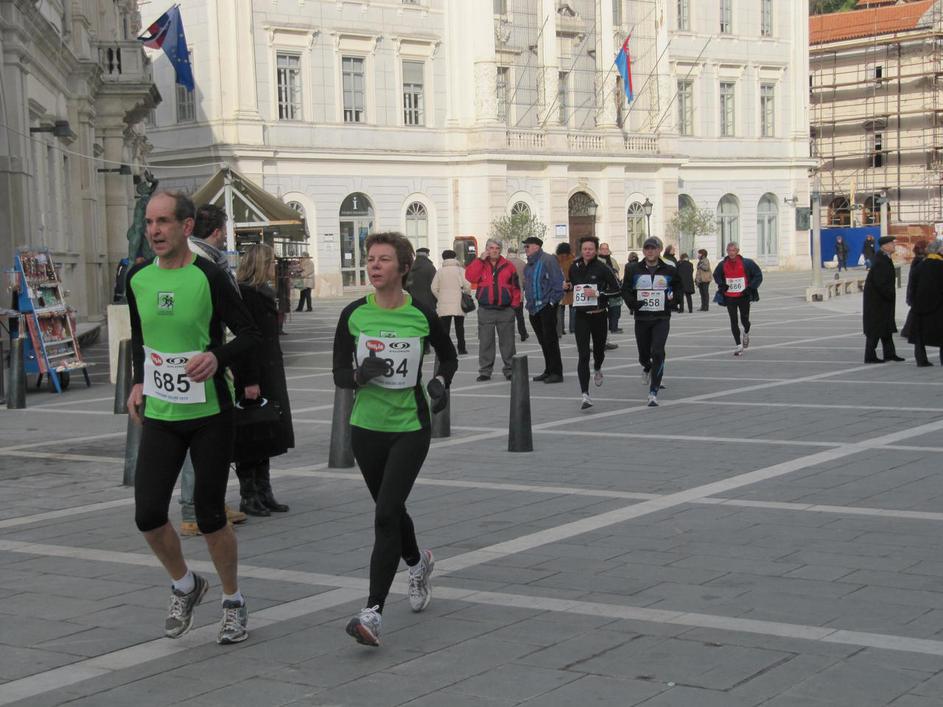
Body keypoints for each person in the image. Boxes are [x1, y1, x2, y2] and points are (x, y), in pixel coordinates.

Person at [125, 190, 260, 644]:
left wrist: (217, 357)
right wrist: (138, 382)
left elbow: (250, 334)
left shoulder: (210, 276)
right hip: (162, 412)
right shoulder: (138, 278)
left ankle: (233, 601)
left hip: (209, 413)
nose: (154, 231)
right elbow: (140, 337)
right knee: (148, 513)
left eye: (163, 222)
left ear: (186, 227)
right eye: (149, 223)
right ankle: (185, 584)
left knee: (208, 513)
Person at [332, 231, 457, 648]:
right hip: (366, 429)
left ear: (403, 268)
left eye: (383, 259)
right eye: (371, 258)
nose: (374, 265)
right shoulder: (353, 314)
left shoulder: (421, 313)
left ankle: (373, 612)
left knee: (385, 514)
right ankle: (417, 563)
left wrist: (440, 382)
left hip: (409, 428)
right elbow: (338, 374)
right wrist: (358, 375)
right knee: (392, 508)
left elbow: (449, 356)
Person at [179, 203, 246, 536]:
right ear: (217, 232)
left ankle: (211, 502)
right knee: (197, 437)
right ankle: (194, 509)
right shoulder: (199, 263)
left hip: (210, 359)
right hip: (197, 362)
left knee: (211, 441)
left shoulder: (207, 259)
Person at [233, 244, 294, 516]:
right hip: (255, 373)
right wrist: (250, 380)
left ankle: (264, 491)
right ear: (260, 265)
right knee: (251, 433)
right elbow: (247, 342)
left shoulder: (263, 293)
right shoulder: (247, 296)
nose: (274, 268)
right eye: (270, 263)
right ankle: (249, 495)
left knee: (266, 429)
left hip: (269, 370)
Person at [622, 237, 679, 407]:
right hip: (642, 318)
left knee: (658, 351)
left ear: (659, 250)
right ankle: (647, 366)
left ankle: (653, 392)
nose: (650, 251)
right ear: (643, 251)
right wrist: (633, 303)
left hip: (661, 318)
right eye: (647, 248)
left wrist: (673, 301)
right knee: (643, 355)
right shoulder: (633, 269)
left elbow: (679, 288)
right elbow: (625, 289)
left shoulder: (669, 270)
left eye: (653, 248)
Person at [568, 236, 621, 409]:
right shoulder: (574, 267)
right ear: (581, 250)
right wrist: (567, 286)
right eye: (585, 249)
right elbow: (572, 285)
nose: (587, 252)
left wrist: (599, 294)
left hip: (599, 316)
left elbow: (616, 290)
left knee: (599, 351)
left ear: (596, 250)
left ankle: (597, 367)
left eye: (590, 249)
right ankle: (585, 395)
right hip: (581, 316)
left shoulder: (603, 268)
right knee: (583, 355)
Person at [465, 238, 520, 381]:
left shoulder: (509, 266)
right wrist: (479, 260)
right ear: (486, 249)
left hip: (505, 310)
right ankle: (485, 371)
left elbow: (516, 287)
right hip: (486, 310)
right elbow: (470, 277)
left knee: (508, 343)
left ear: (500, 250)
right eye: (491, 248)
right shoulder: (481, 264)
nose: (494, 251)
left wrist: (514, 306)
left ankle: (510, 369)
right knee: (485, 342)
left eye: (497, 248)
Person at [523, 236, 565, 383]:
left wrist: (552, 302)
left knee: (551, 341)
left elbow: (558, 282)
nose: (525, 249)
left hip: (546, 307)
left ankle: (556, 372)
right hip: (533, 309)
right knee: (543, 341)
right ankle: (548, 370)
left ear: (536, 247)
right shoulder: (529, 264)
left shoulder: (548, 260)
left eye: (527, 246)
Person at [713, 242, 763, 356]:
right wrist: (722, 284)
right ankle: (739, 346)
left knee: (745, 320)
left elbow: (758, 275)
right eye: (729, 250)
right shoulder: (722, 264)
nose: (731, 253)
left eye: (733, 250)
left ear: (737, 251)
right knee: (733, 320)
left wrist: (750, 288)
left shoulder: (747, 263)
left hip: (743, 296)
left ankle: (746, 332)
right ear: (727, 251)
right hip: (730, 297)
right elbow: (716, 275)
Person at [863, 235, 905, 363]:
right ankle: (870, 356)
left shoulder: (885, 257)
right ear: (885, 246)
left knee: (886, 328)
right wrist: (889, 294)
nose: (894, 245)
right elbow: (879, 282)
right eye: (892, 244)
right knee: (875, 329)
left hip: (883, 301)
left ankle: (890, 353)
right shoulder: (880, 260)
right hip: (877, 302)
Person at [903, 239, 943, 367]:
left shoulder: (920, 265)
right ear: (939, 250)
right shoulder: (941, 265)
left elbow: (912, 284)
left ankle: (921, 359)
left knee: (919, 334)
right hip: (939, 306)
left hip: (920, 306)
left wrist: (912, 300)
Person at [431, 249, 470, 355]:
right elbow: (467, 285)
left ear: (443, 258)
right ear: (455, 257)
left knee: (445, 328)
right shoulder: (460, 270)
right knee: (459, 327)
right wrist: (466, 294)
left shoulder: (440, 271)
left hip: (444, 303)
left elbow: (433, 288)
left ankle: (446, 349)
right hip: (459, 303)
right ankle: (462, 348)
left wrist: (440, 297)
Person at [597, 243, 623, 335]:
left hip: (613, 289)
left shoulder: (613, 260)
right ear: (599, 250)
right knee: (602, 310)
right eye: (602, 249)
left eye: (606, 248)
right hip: (602, 289)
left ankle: (614, 327)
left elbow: (617, 274)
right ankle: (602, 328)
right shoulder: (596, 261)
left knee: (615, 308)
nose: (605, 250)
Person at [506, 246, 529, 342]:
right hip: (518, 292)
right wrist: (523, 288)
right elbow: (525, 279)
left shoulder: (503, 262)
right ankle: (523, 333)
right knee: (519, 315)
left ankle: (508, 335)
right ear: (516, 253)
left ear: (508, 252)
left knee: (507, 316)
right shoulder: (522, 263)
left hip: (506, 293)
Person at [555, 242, 575, 336]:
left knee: (560, 308)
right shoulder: (572, 259)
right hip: (571, 284)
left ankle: (561, 328)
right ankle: (573, 328)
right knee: (572, 307)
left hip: (560, 284)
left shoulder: (556, 259)